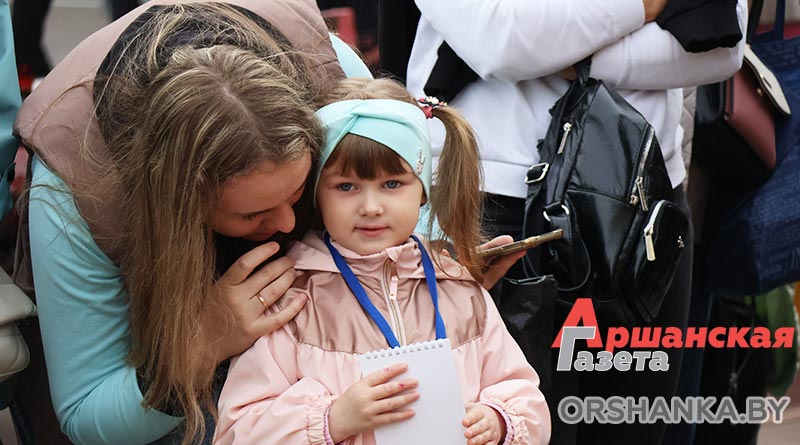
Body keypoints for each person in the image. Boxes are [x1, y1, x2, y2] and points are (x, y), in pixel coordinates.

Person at [9, 1, 360, 444]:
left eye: (297, 192)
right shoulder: (75, 183)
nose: (288, 222)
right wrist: (205, 344)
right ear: (176, 200)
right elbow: (86, 412)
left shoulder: (330, 71)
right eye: (252, 213)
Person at [405, 1, 747, 445]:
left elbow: (721, 44)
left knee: (630, 430)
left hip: (642, 197)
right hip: (492, 197)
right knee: (501, 426)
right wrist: (648, 6)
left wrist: (563, 56)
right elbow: (500, 40)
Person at [214, 77, 551, 445]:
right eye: (346, 186)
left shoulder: (459, 287)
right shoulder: (291, 299)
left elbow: (524, 396)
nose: (371, 207)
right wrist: (333, 419)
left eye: (392, 184)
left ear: (422, 190)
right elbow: (237, 431)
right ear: (315, 194)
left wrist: (498, 420)